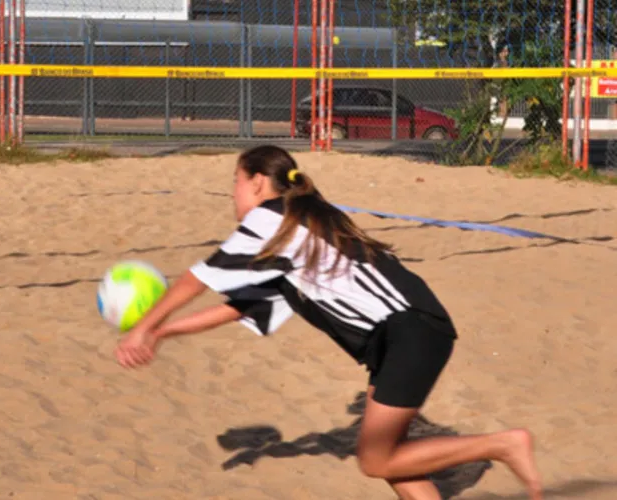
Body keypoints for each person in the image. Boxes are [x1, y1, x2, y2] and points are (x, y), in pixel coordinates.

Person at [113, 145, 543, 500]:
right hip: (404, 334)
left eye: (235, 181)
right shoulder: (292, 238)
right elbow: (235, 308)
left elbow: (197, 278)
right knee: (390, 459)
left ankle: (501, 445)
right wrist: (163, 333)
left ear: (258, 181)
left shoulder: (270, 217)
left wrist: (143, 327)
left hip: (408, 330)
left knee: (374, 459)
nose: (233, 193)